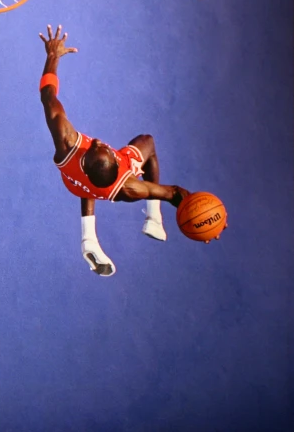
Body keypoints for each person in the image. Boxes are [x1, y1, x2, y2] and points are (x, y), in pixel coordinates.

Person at [37, 25, 225, 277]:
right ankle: (152, 218)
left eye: (96, 145)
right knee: (147, 141)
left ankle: (89, 238)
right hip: (100, 188)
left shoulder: (68, 145)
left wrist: (53, 56)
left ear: (85, 158)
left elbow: (48, 97)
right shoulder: (129, 188)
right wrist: (209, 219)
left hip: (73, 182)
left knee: (92, 181)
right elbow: (174, 194)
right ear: (116, 162)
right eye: (102, 148)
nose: (98, 142)